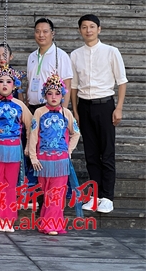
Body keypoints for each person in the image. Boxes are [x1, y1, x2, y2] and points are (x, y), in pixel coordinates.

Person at [70, 14, 127, 214]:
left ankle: (107, 197)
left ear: (99, 29)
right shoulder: (75, 55)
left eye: (92, 26)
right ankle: (95, 196)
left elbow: (122, 81)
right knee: (91, 153)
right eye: (84, 27)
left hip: (105, 106)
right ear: (80, 31)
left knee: (107, 152)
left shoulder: (111, 52)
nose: (88, 30)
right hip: (84, 106)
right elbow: (74, 86)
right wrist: (75, 111)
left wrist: (118, 107)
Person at [0, 66, 32, 232]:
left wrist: (28, 146)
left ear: (14, 85)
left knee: (9, 184)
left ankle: (6, 219)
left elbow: (32, 125)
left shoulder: (20, 105)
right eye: (1, 81)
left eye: (8, 82)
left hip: (13, 149)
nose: (4, 84)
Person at [29, 74, 80, 235]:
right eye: (50, 93)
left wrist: (68, 150)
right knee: (47, 193)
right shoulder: (39, 112)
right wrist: (33, 157)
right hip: (43, 160)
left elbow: (76, 133)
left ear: (62, 95)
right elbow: (33, 135)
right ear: (45, 95)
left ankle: (51, 225)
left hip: (60, 161)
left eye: (57, 93)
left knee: (56, 194)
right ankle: (47, 223)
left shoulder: (67, 113)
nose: (53, 97)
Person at [26, 18, 73, 113]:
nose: (41, 35)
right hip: (32, 108)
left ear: (52, 33)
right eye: (37, 31)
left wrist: (62, 112)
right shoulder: (32, 56)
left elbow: (67, 85)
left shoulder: (60, 55)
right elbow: (29, 82)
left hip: (52, 109)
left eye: (45, 31)